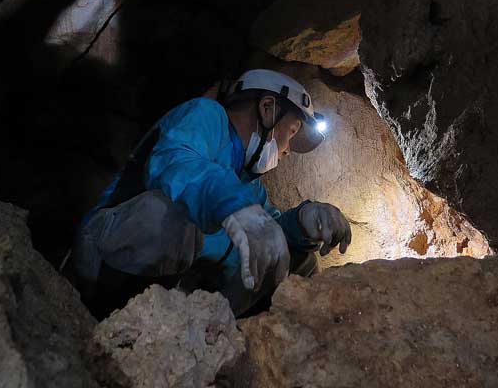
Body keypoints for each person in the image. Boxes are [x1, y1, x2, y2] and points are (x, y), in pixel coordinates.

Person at [73, 69, 352, 316]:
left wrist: (304, 222)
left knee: (294, 259)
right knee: (172, 215)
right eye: (291, 133)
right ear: (268, 109)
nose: (288, 150)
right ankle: (104, 318)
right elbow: (178, 163)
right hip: (102, 261)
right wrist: (236, 207)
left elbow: (269, 235)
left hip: (168, 296)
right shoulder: (206, 115)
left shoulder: (248, 185)